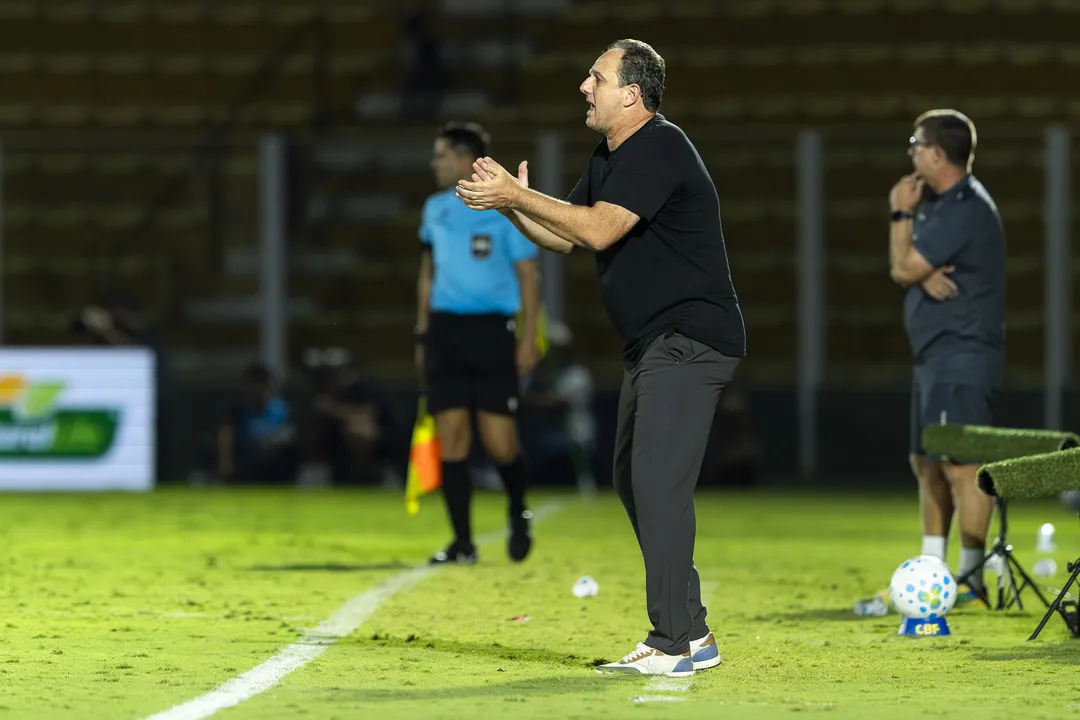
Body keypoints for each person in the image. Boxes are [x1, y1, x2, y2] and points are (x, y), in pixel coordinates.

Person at [457, 39, 745, 677]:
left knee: (657, 485)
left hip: (689, 339)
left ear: (632, 94)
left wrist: (519, 196)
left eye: (596, 77)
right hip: (653, 345)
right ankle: (693, 632)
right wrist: (510, 203)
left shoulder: (660, 145)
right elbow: (565, 235)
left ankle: (671, 643)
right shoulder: (610, 153)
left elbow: (598, 228)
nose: (584, 87)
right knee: (630, 479)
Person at [886, 109, 1006, 605]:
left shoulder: (964, 205)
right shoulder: (935, 200)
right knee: (927, 461)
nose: (910, 151)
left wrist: (898, 214)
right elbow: (908, 269)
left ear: (937, 153)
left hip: (962, 352)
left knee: (960, 464)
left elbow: (901, 264)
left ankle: (972, 579)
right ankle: (934, 571)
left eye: (916, 142)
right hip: (935, 353)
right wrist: (917, 269)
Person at [416, 121, 541, 565]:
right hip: (446, 332)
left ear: (466, 158)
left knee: (500, 441)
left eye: (441, 155)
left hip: (492, 332)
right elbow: (428, 274)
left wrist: (528, 338)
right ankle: (462, 542)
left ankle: (517, 510)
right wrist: (422, 332)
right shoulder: (434, 209)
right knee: (452, 436)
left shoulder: (505, 209)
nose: (434, 164)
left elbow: (529, 276)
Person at [217, 362, 297, 484]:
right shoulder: (237, 409)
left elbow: (290, 434)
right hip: (245, 464)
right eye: (254, 382)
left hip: (275, 465)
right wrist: (226, 464)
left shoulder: (281, 409)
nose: (259, 387)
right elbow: (226, 435)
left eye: (263, 382)